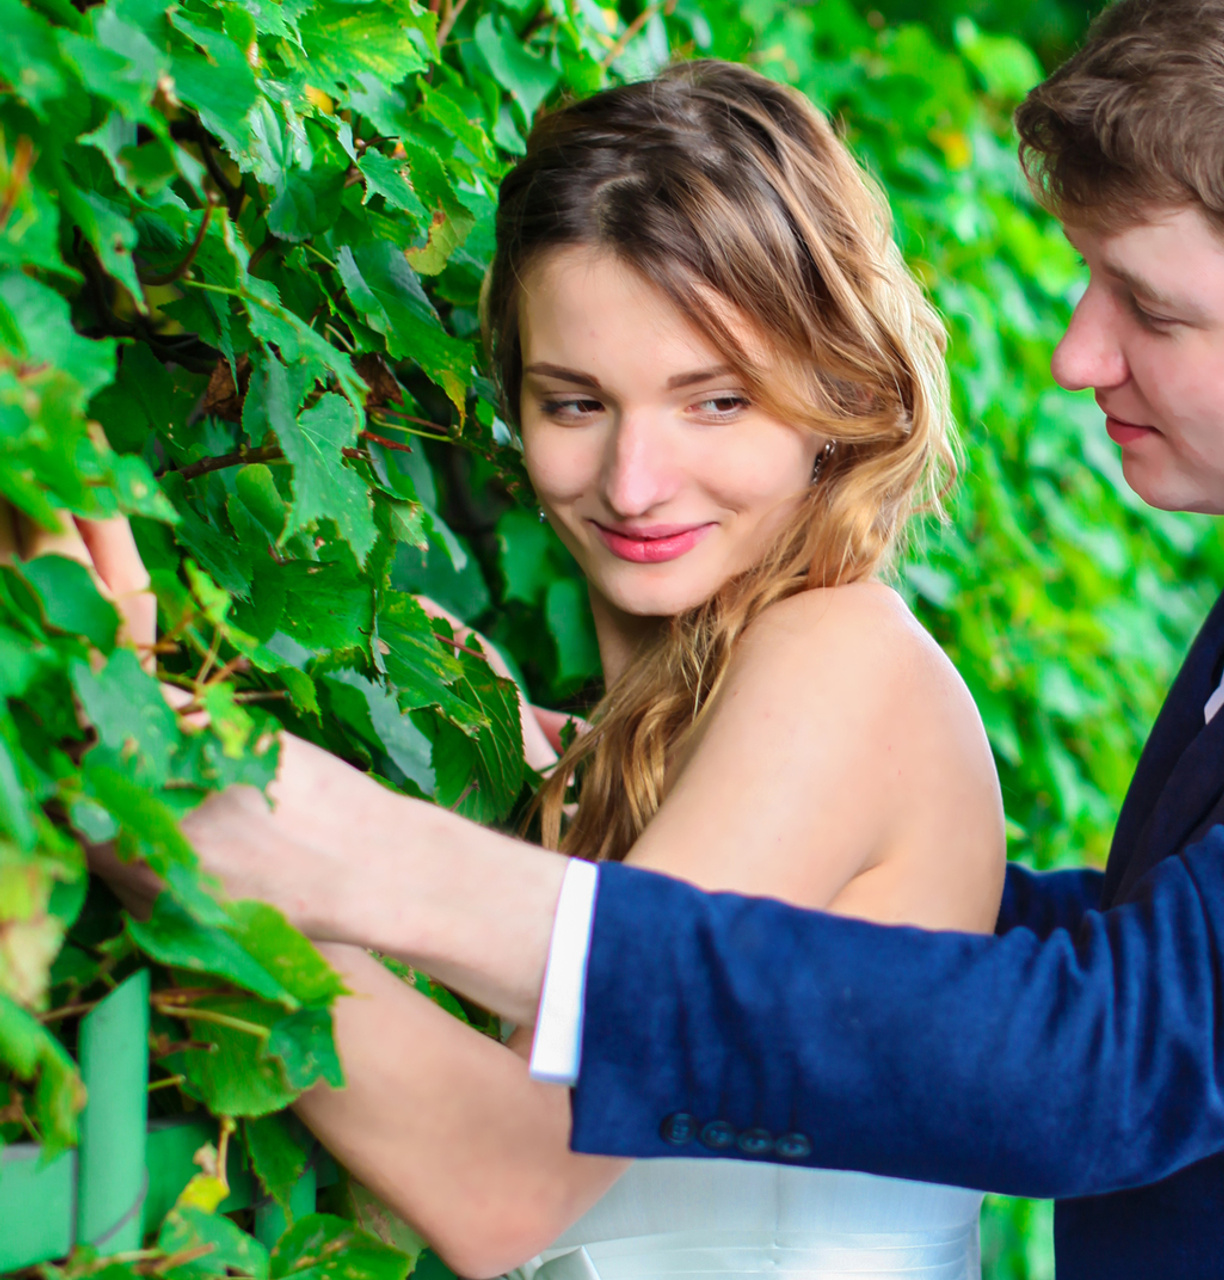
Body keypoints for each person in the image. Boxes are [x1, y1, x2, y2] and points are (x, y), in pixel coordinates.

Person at [93, 1, 1224, 1276]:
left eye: (1149, 307)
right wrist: (712, 836)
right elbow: (1217, 949)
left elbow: (1141, 1045)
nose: (1078, 355)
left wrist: (342, 857)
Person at [84, 62, 1007, 1279]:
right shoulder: (616, 750)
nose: (633, 482)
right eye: (575, 403)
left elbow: (505, 1179)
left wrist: (144, 790)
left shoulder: (844, 664)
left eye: (715, 401)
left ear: (839, 391)